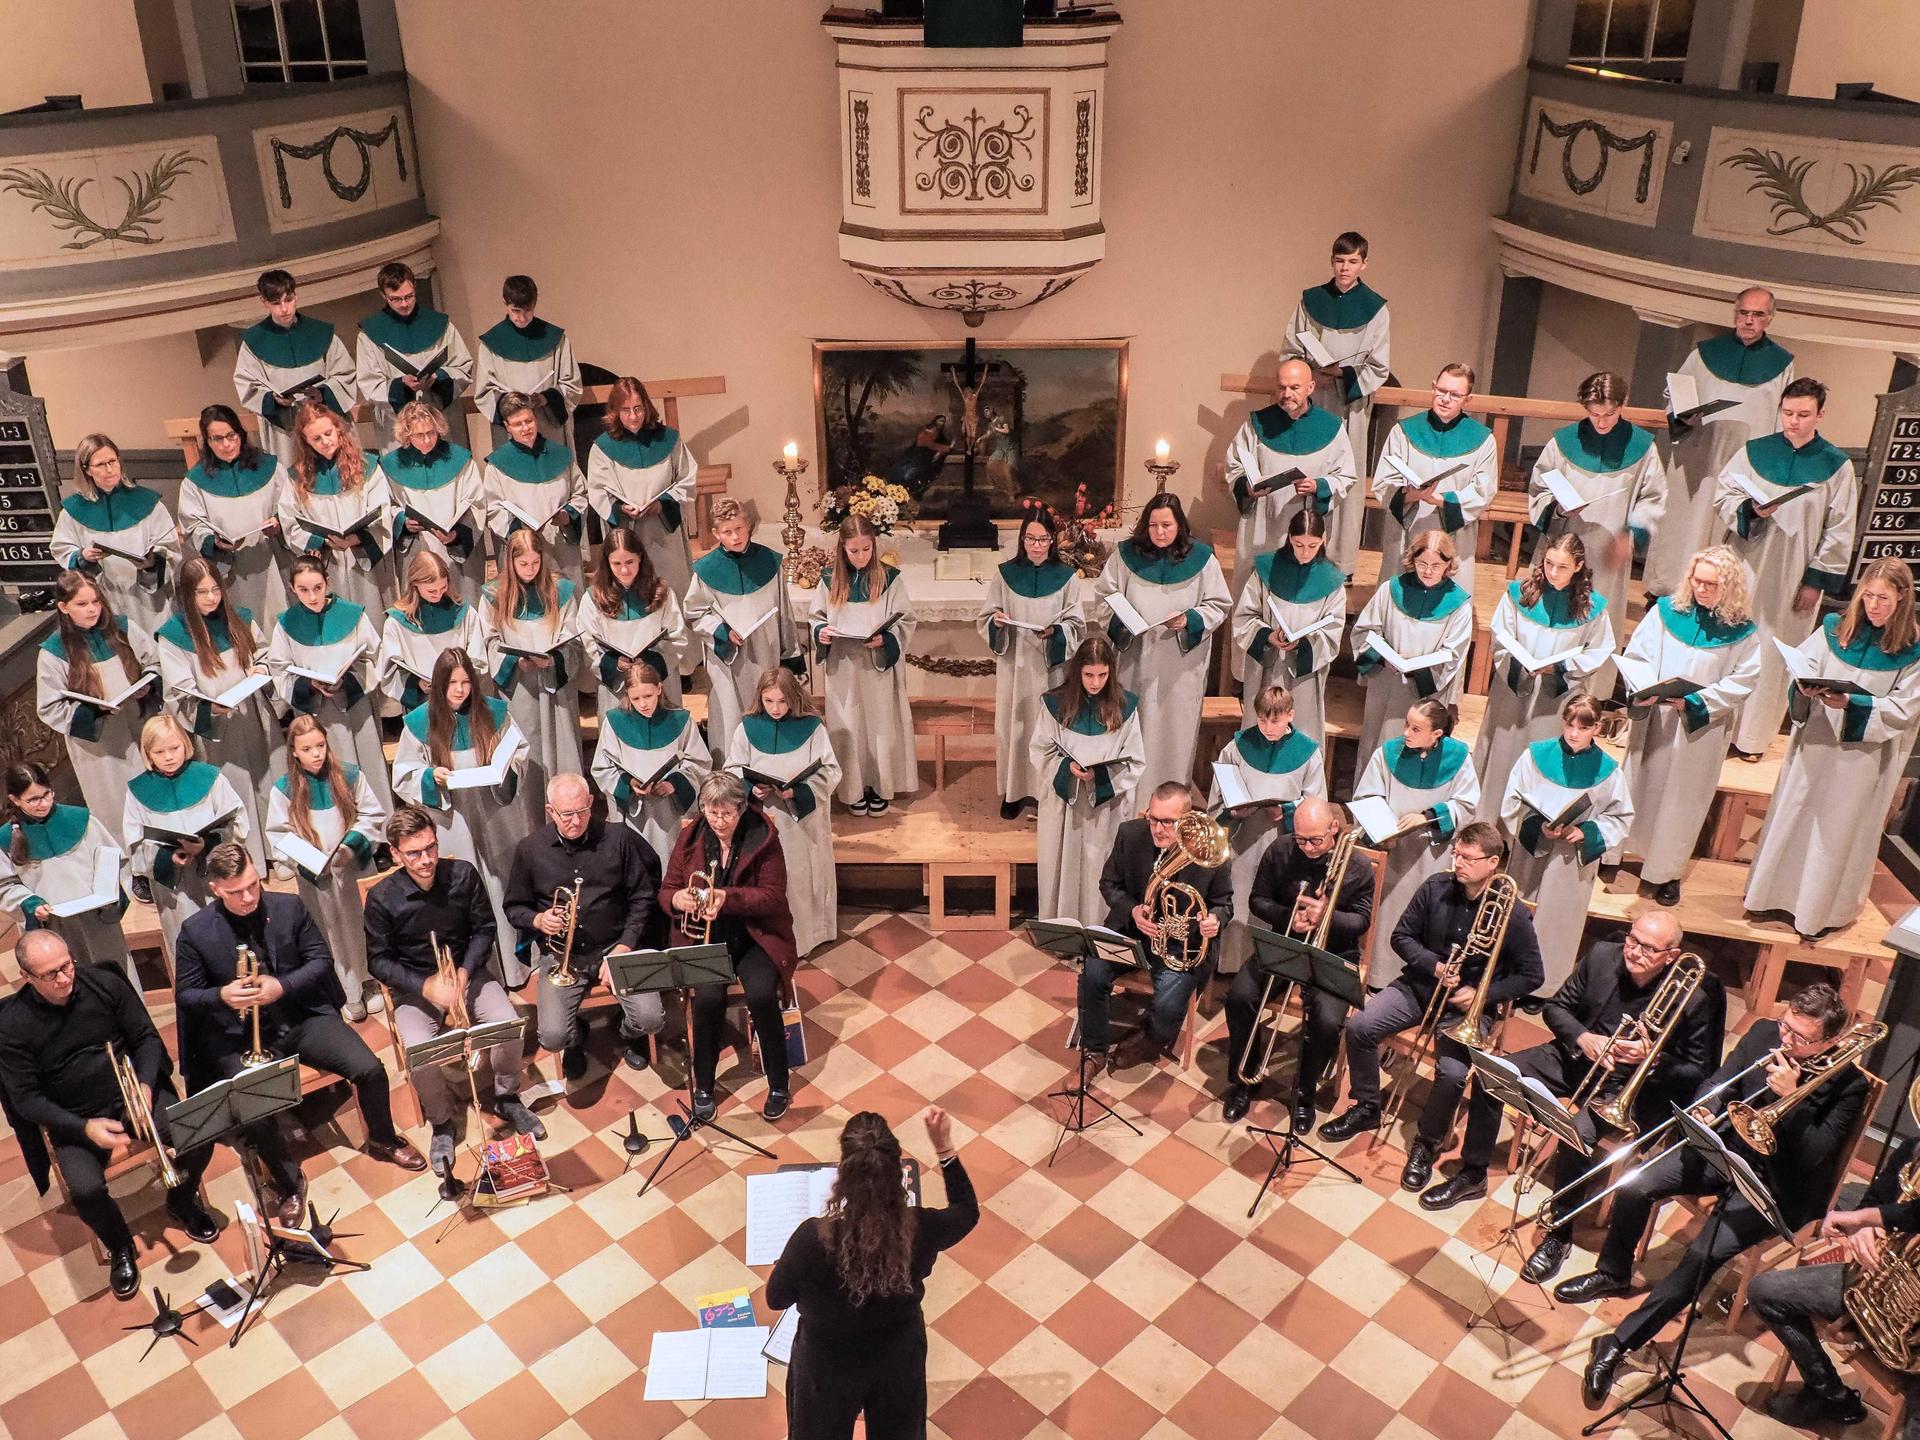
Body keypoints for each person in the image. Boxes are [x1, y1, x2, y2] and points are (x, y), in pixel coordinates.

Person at [1574, 983, 1865, 1409]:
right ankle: (1614, 1271)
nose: (1786, 1040)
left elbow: (1813, 1157)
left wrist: (1792, 1099)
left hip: (1775, 1184)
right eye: (1786, 1026)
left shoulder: (1848, 1085)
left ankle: (1616, 1344)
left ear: (1830, 1041)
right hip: (1725, 1149)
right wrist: (1705, 1108)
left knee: (1700, 1257)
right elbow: (1721, 1081)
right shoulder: (1765, 1032)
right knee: (1636, 1184)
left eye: (1800, 1038)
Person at [1416, 912, 1723, 1289]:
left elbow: (1699, 1071)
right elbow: (1556, 1008)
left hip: (1631, 1085)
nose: (1634, 952)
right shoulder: (1603, 956)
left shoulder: (1695, 997)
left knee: (1577, 1134)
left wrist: (1653, 1057)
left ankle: (1559, 1232)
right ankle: (1473, 1172)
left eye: (1648, 948)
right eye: (1632, 940)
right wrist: (1583, 1038)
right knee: (1492, 1076)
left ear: (1671, 956)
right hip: (1576, 1057)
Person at [174, 843, 424, 1208]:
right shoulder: (195, 932)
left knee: (370, 1068)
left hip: (301, 1017)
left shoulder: (288, 907)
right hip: (241, 1037)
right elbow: (187, 995)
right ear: (215, 889)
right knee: (254, 1107)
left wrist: (282, 986)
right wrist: (223, 995)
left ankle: (383, 1138)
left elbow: (320, 960)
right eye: (236, 892)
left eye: (253, 885)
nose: (249, 897)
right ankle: (288, 1183)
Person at [1319, 821, 1545, 1192]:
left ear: (1493, 863)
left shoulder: (1513, 912)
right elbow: (1401, 937)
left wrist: (1482, 993)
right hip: (1421, 986)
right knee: (1360, 1026)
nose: (1459, 863)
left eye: (1468, 858)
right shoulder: (1435, 887)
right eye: (1457, 854)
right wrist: (1435, 966)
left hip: (1466, 1008)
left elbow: (1532, 975)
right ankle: (1367, 1106)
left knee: (1453, 1073)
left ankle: (1427, 1142)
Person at [0, 932, 220, 1300]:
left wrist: (145, 1086)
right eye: (50, 974)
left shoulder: (103, 985)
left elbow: (146, 1038)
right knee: (85, 1191)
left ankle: (182, 1200)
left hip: (131, 1095)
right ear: (27, 976)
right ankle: (119, 1245)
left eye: (67, 965)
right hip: (73, 1117)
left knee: (200, 1132)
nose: (64, 978)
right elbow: (26, 1100)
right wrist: (83, 1127)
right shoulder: (11, 1025)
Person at [767, 1107, 977, 1440]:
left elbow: (776, 1298)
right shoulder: (918, 1229)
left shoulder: (811, 1239)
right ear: (898, 1176)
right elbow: (965, 1212)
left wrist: (789, 1264)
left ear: (843, 1175)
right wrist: (944, 1148)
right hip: (896, 1356)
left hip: (826, 1363)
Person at [1746, 558, 1920, 937]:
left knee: (1834, 832)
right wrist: (1804, 687)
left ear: (1903, 597)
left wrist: (1852, 704)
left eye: (1883, 598)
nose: (1873, 605)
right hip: (1816, 743)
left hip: (1859, 761)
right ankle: (1768, 897)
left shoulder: (1913, 651)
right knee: (1795, 814)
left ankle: (1816, 914)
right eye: (1868, 596)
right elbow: (1802, 664)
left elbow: (1905, 710)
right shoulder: (1834, 629)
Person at [365, 806, 541, 1176]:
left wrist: (462, 974)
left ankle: (507, 1096)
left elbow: (484, 929)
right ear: (395, 854)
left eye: (431, 848)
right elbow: (378, 962)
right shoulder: (381, 898)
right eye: (414, 853)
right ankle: (442, 1121)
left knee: (509, 1025)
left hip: (466, 974)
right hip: (416, 987)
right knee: (420, 1052)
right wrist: (426, 986)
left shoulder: (463, 874)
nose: (426, 860)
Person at [1715, 377, 1859, 760]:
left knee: (1774, 653)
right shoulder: (1754, 452)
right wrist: (1749, 510)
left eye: (1803, 414)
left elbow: (1840, 528)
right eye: (1788, 412)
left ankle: (1751, 739)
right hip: (1745, 563)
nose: (1794, 421)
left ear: (1820, 415)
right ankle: (1719, 727)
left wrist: (1815, 581)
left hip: (1794, 575)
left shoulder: (1836, 466)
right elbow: (1724, 494)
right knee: (1734, 644)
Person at [1620, 546, 1760, 905]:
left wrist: (1696, 702)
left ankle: (1666, 872)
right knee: (1641, 784)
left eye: (1711, 584)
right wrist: (1645, 687)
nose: (1701, 589)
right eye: (1697, 581)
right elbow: (1639, 655)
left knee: (1682, 801)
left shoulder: (1742, 633)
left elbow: (1744, 680)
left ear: (1728, 586)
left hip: (1699, 729)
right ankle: (1618, 853)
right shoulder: (1666, 612)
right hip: (1657, 719)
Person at [1747, 1141, 1920, 1429]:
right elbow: (1875, 1199)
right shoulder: (1914, 1149)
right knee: (1765, 1292)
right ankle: (1829, 1394)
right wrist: (1865, 1226)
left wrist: (1867, 1218)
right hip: (1873, 1284)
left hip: (1913, 1330)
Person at [1221, 797, 1372, 1128]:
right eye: (1301, 839)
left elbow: (1362, 921)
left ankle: (1304, 1092)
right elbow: (1257, 900)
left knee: (1327, 1021)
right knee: (1239, 997)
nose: (1308, 848)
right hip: (1285, 940)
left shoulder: (1358, 865)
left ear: (1334, 828)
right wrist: (1291, 916)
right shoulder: (1280, 850)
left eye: (1315, 840)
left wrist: (1327, 916)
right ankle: (1245, 1079)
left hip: (1334, 952)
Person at [504, 774, 664, 1080]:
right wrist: (538, 920)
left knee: (650, 1020)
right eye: (567, 814)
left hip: (616, 945)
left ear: (591, 802)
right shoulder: (530, 849)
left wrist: (624, 946)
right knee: (552, 1037)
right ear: (550, 811)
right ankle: (574, 1037)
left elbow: (643, 897)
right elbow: (514, 907)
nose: (576, 821)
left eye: (582, 811)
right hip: (563, 954)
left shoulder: (619, 839)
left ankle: (627, 1031)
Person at [661, 772, 800, 1122]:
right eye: (712, 812)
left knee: (762, 997)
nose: (719, 822)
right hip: (707, 938)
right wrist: (678, 899)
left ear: (741, 809)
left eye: (727, 814)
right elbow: (667, 890)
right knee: (707, 1000)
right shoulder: (690, 838)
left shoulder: (763, 838)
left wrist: (727, 898)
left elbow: (773, 896)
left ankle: (779, 1084)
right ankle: (704, 1086)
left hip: (755, 936)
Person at [1644, 286, 1795, 598]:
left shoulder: (1782, 365)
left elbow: (1784, 417)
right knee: (1684, 525)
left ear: (1770, 318)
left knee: (1726, 532)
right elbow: (1675, 395)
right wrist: (1683, 417)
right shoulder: (1703, 355)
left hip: (1744, 467)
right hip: (1698, 458)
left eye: (1758, 315)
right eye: (1743, 313)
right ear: (1735, 313)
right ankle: (1669, 591)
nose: (1749, 320)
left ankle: (1717, 596)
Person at [392, 646, 527, 978]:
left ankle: (514, 968)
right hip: (452, 819)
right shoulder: (420, 722)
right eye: (452, 683)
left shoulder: (494, 712)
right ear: (439, 683)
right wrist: (430, 777)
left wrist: (506, 765)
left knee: (499, 882)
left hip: (493, 814)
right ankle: (481, 972)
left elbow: (519, 751)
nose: (460, 690)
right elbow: (404, 775)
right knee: (464, 889)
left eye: (466, 682)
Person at [1077, 782, 1232, 1067]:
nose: (1158, 829)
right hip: (1130, 932)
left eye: (1169, 822)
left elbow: (1224, 904)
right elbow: (1109, 883)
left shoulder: (1210, 850)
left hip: (1179, 946)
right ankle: (1094, 1051)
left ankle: (1151, 1040)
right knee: (1092, 973)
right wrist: (1133, 910)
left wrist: (1214, 920)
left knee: (1168, 1006)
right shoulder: (1130, 834)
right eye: (1153, 819)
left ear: (1187, 821)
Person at [1472, 533, 1615, 823]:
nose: (1553, 572)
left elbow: (1599, 650)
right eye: (1549, 563)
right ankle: (1488, 823)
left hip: (1555, 698)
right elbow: (1501, 635)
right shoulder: (1520, 594)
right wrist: (1521, 665)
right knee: (1503, 755)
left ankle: (1528, 827)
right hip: (1513, 691)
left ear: (1578, 566)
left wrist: (1560, 668)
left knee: (1541, 760)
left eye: (1562, 567)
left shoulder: (1591, 607)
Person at [1096, 492, 1230, 798]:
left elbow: (1219, 604)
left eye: (1167, 525)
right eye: (1154, 525)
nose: (1160, 532)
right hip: (1135, 660)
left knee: (1175, 733)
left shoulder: (1202, 559)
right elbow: (1104, 598)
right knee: (1135, 727)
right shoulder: (1125, 556)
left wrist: (1188, 620)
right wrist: (1126, 622)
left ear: (1179, 525)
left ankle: (1171, 801)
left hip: (1180, 668)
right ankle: (1129, 798)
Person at [1501, 691, 1634, 988]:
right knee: (1520, 913)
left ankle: (1544, 986)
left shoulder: (1609, 770)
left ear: (1597, 728)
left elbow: (1621, 816)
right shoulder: (1535, 756)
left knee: (1557, 921)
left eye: (1583, 728)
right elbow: (1512, 800)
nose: (1574, 734)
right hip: (1532, 850)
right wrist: (1537, 826)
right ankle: (1508, 979)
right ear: (1562, 722)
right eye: (1570, 725)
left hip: (1571, 861)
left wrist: (1587, 832)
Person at [1280, 231, 1391, 573]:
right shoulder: (1310, 302)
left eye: (1352, 262)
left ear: (1364, 264)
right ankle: (1295, 550)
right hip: (1310, 398)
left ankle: (1339, 561)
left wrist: (1341, 375)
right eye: (1340, 261)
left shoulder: (1376, 309)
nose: (1345, 268)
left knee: (1345, 476)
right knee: (1305, 467)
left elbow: (1379, 366)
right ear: (1332, 261)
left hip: (1348, 405)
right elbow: (1291, 350)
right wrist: (1311, 375)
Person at [1350, 699, 1481, 988]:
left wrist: (1428, 817)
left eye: (1416, 728)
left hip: (1431, 854)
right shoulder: (1388, 753)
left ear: (1437, 734)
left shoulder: (1458, 758)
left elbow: (1467, 803)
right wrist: (1381, 831)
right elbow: (1366, 797)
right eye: (1407, 725)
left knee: (1429, 917)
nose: (1406, 733)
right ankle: (1379, 977)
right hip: (1393, 852)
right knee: (1388, 913)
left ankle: (1422, 982)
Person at [265, 715, 389, 1020]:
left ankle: (368, 982)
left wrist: (351, 846)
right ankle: (346, 989)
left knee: (359, 925)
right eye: (307, 749)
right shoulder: (284, 789)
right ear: (294, 752)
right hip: (316, 876)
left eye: (320, 745)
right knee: (329, 930)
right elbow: (279, 834)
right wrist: (305, 860)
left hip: (352, 867)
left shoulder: (349, 775)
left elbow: (372, 815)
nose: (316, 754)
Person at [1526, 371, 1667, 635]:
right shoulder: (1563, 443)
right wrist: (1557, 508)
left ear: (1623, 403)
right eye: (1594, 414)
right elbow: (1540, 487)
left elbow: (1653, 496)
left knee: (1597, 621)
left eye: (1609, 414)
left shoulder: (1643, 448)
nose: (1601, 422)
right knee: (1551, 615)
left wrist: (1633, 533)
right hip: (1563, 542)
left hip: (1608, 548)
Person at [156, 557, 277, 860]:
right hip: (216, 729)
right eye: (202, 592)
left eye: (215, 589)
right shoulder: (175, 635)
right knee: (235, 792)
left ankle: (277, 852)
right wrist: (209, 708)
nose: (211, 598)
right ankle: (248, 857)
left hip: (252, 714)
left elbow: (265, 654)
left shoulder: (239, 619)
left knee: (267, 782)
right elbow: (178, 691)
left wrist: (261, 669)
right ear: (187, 594)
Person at [1207, 684, 1325, 976]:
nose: (1268, 728)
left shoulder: (1308, 752)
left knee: (1272, 905)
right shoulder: (1237, 747)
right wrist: (1233, 811)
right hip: (1242, 840)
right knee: (1239, 901)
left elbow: (1316, 803)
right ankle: (1229, 967)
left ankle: (1266, 974)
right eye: (1262, 720)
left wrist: (1286, 810)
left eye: (1275, 720)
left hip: (1283, 842)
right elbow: (1219, 794)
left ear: (1290, 715)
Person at [725, 667, 841, 957]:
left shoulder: (812, 728)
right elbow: (732, 768)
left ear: (794, 698)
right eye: (769, 701)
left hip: (800, 822)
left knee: (799, 878)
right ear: (760, 699)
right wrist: (751, 788)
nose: (775, 709)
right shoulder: (747, 728)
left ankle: (804, 938)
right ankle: (765, 940)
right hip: (762, 817)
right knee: (764, 879)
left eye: (782, 701)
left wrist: (798, 791)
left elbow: (830, 771)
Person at [1029, 636, 1144, 922]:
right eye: (1089, 675)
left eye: (1102, 675)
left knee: (1100, 866)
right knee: (1062, 865)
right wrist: (1066, 768)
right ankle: (1061, 927)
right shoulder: (1055, 704)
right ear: (1077, 672)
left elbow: (1135, 761)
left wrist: (1100, 775)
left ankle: (1100, 928)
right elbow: (1040, 750)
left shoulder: (1125, 707)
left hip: (1105, 808)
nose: (1095, 682)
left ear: (1111, 672)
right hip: (1065, 805)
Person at [978, 511, 1084, 819]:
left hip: (1051, 670)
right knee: (1015, 727)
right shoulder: (1006, 575)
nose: (1036, 546)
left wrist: (1056, 632)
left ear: (1052, 541)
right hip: (1016, 667)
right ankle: (1014, 791)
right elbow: (987, 616)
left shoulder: (1066, 577)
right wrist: (997, 622)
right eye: (1030, 539)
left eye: (1042, 539)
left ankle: (1047, 790)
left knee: (1049, 728)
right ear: (1022, 539)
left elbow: (1076, 623)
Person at [265, 555, 391, 810]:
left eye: (317, 588)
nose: (312, 596)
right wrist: (309, 686)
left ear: (328, 582)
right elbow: (279, 670)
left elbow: (375, 657)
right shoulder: (286, 625)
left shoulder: (352, 615)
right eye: (303, 590)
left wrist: (349, 681)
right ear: (292, 588)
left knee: (368, 769)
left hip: (356, 707)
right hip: (314, 714)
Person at [123, 712, 249, 965]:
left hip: (215, 874)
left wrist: (207, 845)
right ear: (147, 754)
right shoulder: (137, 792)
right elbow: (135, 843)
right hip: (174, 887)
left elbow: (237, 822)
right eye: (159, 752)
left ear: (186, 745)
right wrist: (167, 857)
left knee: (231, 939)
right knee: (189, 945)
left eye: (174, 748)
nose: (169, 757)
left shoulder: (210, 778)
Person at [811, 515, 917, 816]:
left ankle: (880, 786)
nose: (860, 557)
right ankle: (853, 789)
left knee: (879, 727)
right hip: (843, 668)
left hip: (876, 669)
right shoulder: (829, 580)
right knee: (849, 726)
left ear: (874, 545)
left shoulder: (889, 579)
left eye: (866, 549)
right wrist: (821, 633)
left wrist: (887, 638)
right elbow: (816, 618)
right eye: (854, 551)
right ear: (842, 549)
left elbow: (906, 620)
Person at [36, 572, 160, 822]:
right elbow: (49, 707)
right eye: (82, 604)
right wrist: (95, 710)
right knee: (118, 809)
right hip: (100, 747)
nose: (92, 609)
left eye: (96, 601)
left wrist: (148, 683)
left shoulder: (123, 628)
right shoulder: (54, 652)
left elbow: (155, 661)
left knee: (157, 797)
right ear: (64, 607)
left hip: (140, 724)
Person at [1224, 358, 1357, 588]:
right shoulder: (1257, 424)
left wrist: (1318, 486)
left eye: (1294, 387)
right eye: (1281, 387)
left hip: (1306, 523)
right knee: (1255, 588)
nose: (1287, 394)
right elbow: (1235, 463)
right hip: (1262, 524)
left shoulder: (1331, 427)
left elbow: (1345, 475)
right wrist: (1246, 487)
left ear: (1311, 387)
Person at [687, 496, 799, 757]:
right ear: (716, 533)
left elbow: (784, 611)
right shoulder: (706, 570)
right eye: (727, 532)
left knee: (769, 709)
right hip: (727, 659)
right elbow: (694, 612)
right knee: (730, 719)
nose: (735, 537)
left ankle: (768, 768)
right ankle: (732, 774)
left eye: (739, 528)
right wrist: (722, 631)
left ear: (748, 526)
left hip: (765, 652)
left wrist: (790, 655)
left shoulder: (770, 562)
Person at [1373, 364, 1499, 594]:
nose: (1445, 399)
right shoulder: (1404, 431)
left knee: (1447, 600)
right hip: (1409, 526)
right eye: (1441, 391)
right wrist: (1412, 495)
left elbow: (1484, 491)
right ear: (1433, 388)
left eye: (1455, 395)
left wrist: (1441, 500)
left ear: (1467, 399)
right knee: (1400, 595)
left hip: (1453, 531)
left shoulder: (1483, 440)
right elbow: (1384, 480)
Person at [1351, 530, 1475, 762]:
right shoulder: (1391, 589)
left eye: (1436, 566)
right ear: (1412, 559)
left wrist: (1419, 669)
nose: (1428, 571)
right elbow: (1364, 631)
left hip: (1425, 690)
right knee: (1378, 748)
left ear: (1448, 565)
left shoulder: (1458, 605)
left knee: (1418, 753)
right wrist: (1383, 658)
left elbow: (1454, 653)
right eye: (1422, 564)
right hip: (1387, 682)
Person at [487, 529, 583, 828]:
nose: (530, 570)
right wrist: (515, 662)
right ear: (510, 563)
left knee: (561, 755)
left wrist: (553, 660)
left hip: (555, 690)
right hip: (519, 691)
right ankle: (530, 827)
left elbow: (573, 639)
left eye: (535, 562)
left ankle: (567, 822)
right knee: (527, 756)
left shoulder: (560, 591)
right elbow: (488, 642)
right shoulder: (494, 596)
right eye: (523, 564)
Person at [0, 763, 131, 980]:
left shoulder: (80, 820)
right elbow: (5, 886)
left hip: (97, 920)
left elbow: (113, 860)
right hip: (52, 925)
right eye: (33, 799)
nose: (43, 803)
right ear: (15, 799)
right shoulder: (6, 839)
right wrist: (31, 904)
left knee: (113, 977)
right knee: (67, 981)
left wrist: (110, 892)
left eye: (46, 794)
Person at [1232, 509, 1346, 745]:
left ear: (1323, 540)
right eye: (1298, 544)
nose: (1305, 552)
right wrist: (1268, 636)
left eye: (1312, 546)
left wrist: (1304, 644)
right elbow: (1244, 616)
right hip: (1267, 665)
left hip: (1304, 671)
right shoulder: (1267, 569)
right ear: (1289, 538)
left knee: (1300, 734)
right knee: (1262, 726)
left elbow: (1333, 629)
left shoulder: (1331, 580)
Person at [50, 432, 181, 634]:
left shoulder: (148, 503)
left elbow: (169, 545)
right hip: (103, 597)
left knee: (154, 643)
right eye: (101, 465)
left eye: (112, 461)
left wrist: (152, 561)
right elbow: (62, 548)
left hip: (148, 599)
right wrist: (83, 557)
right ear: (86, 470)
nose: (109, 469)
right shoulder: (73, 511)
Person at [593, 661, 713, 874]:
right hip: (633, 811)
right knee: (635, 867)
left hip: (670, 811)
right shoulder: (614, 721)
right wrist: (628, 783)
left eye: (648, 696)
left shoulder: (680, 720)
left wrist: (674, 784)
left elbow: (699, 762)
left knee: (671, 864)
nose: (643, 704)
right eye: (636, 698)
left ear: (659, 688)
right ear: (627, 695)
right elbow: (602, 768)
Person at [277, 398, 394, 615]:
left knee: (370, 616)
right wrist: (320, 542)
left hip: (363, 560)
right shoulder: (297, 477)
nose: (325, 441)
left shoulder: (366, 466)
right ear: (305, 441)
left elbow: (382, 512)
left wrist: (354, 539)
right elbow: (290, 522)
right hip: (326, 563)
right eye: (316, 438)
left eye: (328, 433)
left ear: (338, 430)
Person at [176, 403, 289, 622]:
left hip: (271, 560)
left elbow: (290, 507)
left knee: (277, 619)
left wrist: (278, 523)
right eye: (217, 439)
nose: (226, 444)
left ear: (240, 433)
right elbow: (192, 525)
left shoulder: (270, 468)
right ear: (207, 441)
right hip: (229, 568)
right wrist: (215, 543)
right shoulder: (195, 482)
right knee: (241, 623)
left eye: (231, 435)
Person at [586, 376, 698, 597]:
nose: (633, 416)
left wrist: (662, 504)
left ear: (646, 407)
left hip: (663, 529)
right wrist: (619, 508)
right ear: (615, 411)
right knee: (633, 590)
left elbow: (687, 478)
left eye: (638, 408)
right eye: (626, 410)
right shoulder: (603, 448)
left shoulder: (668, 440)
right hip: (628, 530)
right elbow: (597, 490)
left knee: (672, 588)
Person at [232, 268, 356, 466]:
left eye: (288, 300)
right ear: (264, 302)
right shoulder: (254, 342)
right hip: (286, 428)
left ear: (296, 296)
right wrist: (273, 400)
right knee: (296, 475)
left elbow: (345, 373)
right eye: (276, 303)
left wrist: (323, 392)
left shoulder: (321, 332)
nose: (284, 309)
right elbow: (248, 385)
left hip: (324, 418)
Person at [378, 399, 487, 592]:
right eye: (420, 435)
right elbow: (385, 505)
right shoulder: (391, 465)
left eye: (431, 432)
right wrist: (403, 521)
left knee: (461, 596)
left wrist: (457, 532)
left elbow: (475, 501)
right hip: (416, 546)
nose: (427, 440)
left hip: (455, 548)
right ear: (407, 434)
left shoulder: (459, 459)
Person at [354, 259, 473, 435]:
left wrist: (439, 377)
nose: (404, 304)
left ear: (415, 287)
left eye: (409, 296)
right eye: (395, 299)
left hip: (439, 414)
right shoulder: (369, 335)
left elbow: (463, 366)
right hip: (398, 423)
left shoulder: (439, 325)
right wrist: (400, 385)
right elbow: (369, 383)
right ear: (383, 295)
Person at [581, 524, 689, 713]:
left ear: (640, 557)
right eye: (616, 564)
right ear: (607, 563)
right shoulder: (594, 598)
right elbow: (587, 644)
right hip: (616, 684)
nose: (624, 570)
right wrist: (614, 664)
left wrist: (648, 665)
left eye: (630, 562)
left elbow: (677, 638)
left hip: (656, 680)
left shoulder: (661, 594)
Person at [482, 391, 590, 577]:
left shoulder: (560, 455)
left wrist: (567, 515)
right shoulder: (497, 465)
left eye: (529, 421)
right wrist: (519, 531)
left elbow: (581, 493)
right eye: (518, 424)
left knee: (567, 592)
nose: (525, 428)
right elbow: (493, 509)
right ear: (507, 427)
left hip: (561, 544)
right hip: (523, 550)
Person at [378, 548, 493, 716]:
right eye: (432, 591)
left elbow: (478, 657)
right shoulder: (397, 622)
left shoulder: (464, 614)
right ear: (414, 585)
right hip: (423, 703)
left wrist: (459, 681)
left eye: (443, 587)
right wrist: (416, 683)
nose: (438, 594)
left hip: (460, 701)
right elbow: (390, 669)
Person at [473, 274, 580, 451]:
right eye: (516, 311)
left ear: (535, 304)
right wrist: (512, 403)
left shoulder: (555, 339)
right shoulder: (491, 343)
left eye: (528, 310)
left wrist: (545, 398)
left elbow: (572, 385)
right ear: (505, 302)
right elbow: (485, 393)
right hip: (512, 428)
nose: (522, 318)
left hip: (547, 424)